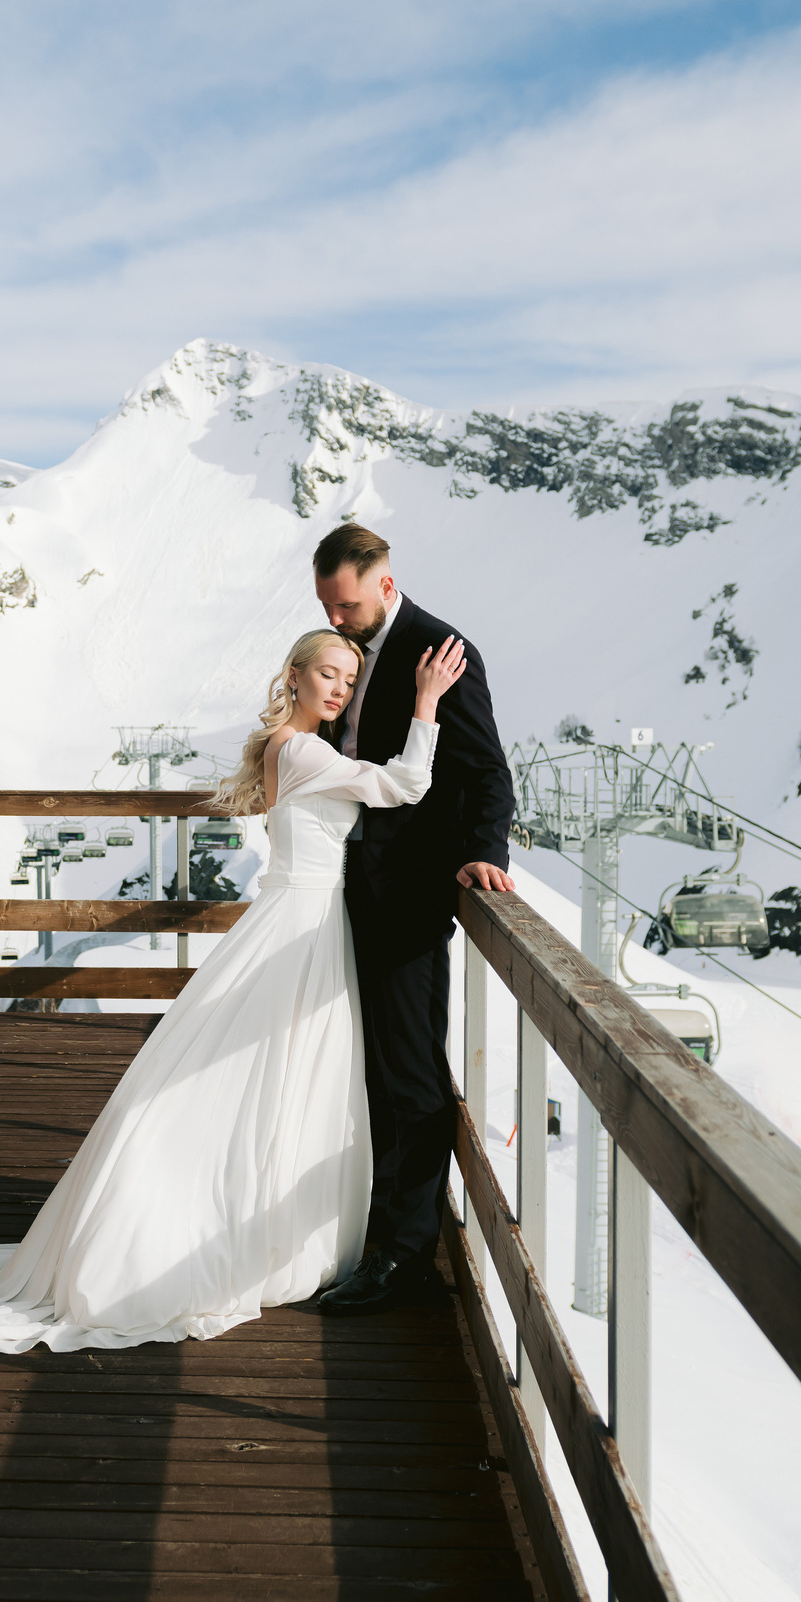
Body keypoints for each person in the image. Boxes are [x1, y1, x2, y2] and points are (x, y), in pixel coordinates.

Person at [0, 626, 472, 1368]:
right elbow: (404, 785)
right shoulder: (304, 750)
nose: (339, 689)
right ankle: (225, 1231)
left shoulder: (291, 750)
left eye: (349, 680)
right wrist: (426, 703)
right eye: (328, 673)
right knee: (268, 1077)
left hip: (302, 922)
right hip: (303, 926)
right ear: (292, 676)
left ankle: (243, 1222)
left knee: (275, 1078)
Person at [307, 522, 515, 1316]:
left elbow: (486, 767)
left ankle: (402, 1254)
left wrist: (484, 849)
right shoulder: (346, 649)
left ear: (385, 584)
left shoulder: (442, 649)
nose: (338, 620)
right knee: (359, 1066)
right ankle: (363, 1230)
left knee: (409, 1074)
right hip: (345, 888)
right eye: (328, 607)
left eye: (348, 605)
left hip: (409, 895)